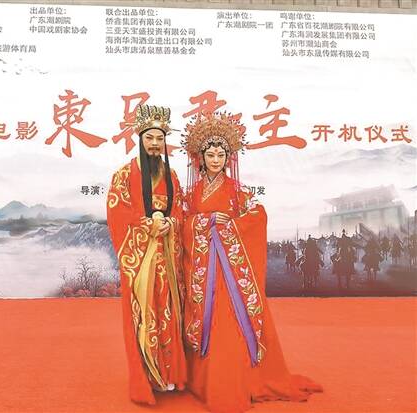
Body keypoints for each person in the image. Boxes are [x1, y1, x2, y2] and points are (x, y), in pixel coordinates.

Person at [181, 111, 322, 413]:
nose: (215, 160)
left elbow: (258, 216)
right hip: (204, 272)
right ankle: (203, 382)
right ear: (200, 157)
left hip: (231, 275)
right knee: (205, 322)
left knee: (230, 324)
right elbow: (183, 223)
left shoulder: (239, 192)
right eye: (210, 154)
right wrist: (206, 220)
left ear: (228, 157)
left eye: (221, 155)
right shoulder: (190, 193)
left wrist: (231, 224)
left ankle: (233, 382)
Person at [106, 104, 186, 405]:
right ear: (139, 139)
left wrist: (170, 224)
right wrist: (147, 226)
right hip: (140, 258)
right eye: (149, 138)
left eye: (159, 139)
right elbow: (117, 213)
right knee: (143, 314)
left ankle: (169, 374)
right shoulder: (124, 175)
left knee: (169, 312)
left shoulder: (172, 175)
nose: (154, 144)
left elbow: (180, 210)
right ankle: (146, 377)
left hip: (168, 256)